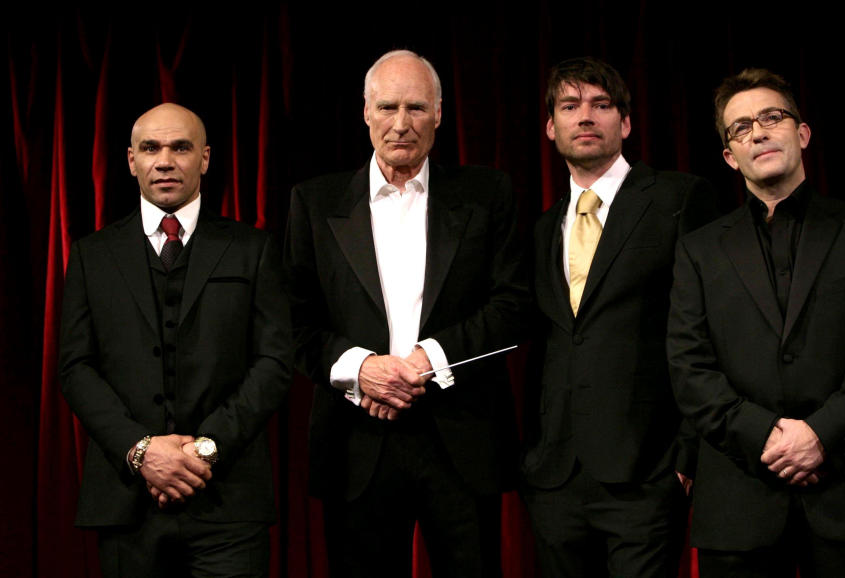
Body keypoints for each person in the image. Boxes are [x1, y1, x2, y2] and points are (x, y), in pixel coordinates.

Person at [283, 50, 527, 578]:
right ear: (365, 112)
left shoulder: (487, 195)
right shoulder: (314, 201)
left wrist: (426, 360)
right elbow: (292, 321)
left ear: (439, 114)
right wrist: (361, 370)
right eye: (388, 107)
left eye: (416, 107)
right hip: (356, 442)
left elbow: (513, 307)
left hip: (460, 439)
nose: (401, 123)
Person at [667, 68, 845, 577]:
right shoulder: (698, 250)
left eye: (771, 117)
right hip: (740, 496)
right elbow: (689, 366)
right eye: (740, 128)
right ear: (730, 158)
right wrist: (765, 436)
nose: (758, 131)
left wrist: (819, 434)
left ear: (801, 133)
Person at [59, 103, 292, 578]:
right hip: (128, 504)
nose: (165, 160)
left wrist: (203, 450)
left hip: (229, 503)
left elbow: (274, 363)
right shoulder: (91, 256)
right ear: (131, 160)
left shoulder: (253, 249)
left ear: (204, 158)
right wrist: (142, 452)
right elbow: (76, 368)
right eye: (151, 148)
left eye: (180, 147)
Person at [521, 56, 717, 577]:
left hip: (647, 474)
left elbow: (709, 331)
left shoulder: (679, 198)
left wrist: (686, 459)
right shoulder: (540, 230)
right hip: (556, 479)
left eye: (600, 105)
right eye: (570, 105)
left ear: (625, 123)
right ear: (550, 126)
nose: (585, 116)